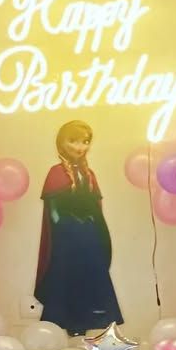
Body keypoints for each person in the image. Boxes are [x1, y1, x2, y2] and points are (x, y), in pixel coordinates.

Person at [34, 120, 123, 336]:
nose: (80, 147)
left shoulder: (88, 173)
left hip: (89, 235)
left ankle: (94, 322)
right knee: (67, 277)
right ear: (61, 143)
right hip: (67, 237)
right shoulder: (56, 172)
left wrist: (94, 229)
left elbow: (95, 206)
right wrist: (65, 228)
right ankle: (70, 323)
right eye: (73, 141)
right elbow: (53, 209)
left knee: (92, 275)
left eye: (85, 141)